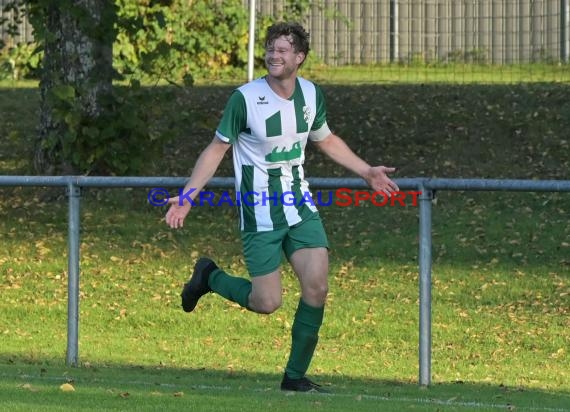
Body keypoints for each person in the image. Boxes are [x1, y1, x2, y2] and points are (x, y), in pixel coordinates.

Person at [165, 22, 399, 393]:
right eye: (270, 48)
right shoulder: (244, 98)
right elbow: (216, 150)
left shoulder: (310, 94)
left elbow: (326, 139)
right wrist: (188, 196)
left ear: (299, 58)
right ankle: (209, 276)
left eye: (283, 50)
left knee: (317, 287)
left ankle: (294, 377)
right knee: (267, 302)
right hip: (260, 209)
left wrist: (366, 171)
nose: (274, 55)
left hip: (299, 204)